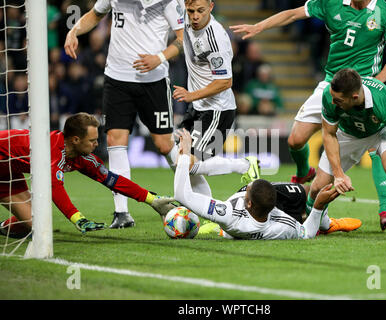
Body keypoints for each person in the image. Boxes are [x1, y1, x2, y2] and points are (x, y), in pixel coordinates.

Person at [230, 0, 386, 230]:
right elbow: (293, 14)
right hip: (330, 86)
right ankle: (304, 172)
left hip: (363, 89)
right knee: (295, 140)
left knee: (375, 148)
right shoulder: (331, 3)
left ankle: (385, 210)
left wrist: (374, 87)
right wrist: (260, 26)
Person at [64, 0, 185, 229]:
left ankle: (191, 197)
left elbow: (182, 39)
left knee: (164, 145)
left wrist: (158, 57)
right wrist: (74, 30)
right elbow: (95, 14)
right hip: (117, 79)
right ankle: (122, 212)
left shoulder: (168, 2)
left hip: (154, 82)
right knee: (115, 141)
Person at [306, 68, 386, 240]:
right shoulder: (330, 95)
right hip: (348, 134)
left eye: (339, 100)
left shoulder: (384, 100)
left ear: (354, 97)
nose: (333, 101)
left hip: (380, 132)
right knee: (317, 186)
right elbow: (329, 134)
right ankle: (310, 223)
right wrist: (338, 174)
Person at [166, 128, 361, 240]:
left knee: (191, 168)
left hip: (254, 212)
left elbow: (182, 196)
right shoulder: (281, 228)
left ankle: (246, 166)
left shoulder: (228, 214)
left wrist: (184, 155)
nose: (245, 192)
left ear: (248, 202)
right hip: (273, 205)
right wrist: (319, 205)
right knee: (307, 192)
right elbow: (307, 233)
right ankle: (327, 223)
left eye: (247, 191)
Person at [0, 113, 173, 238]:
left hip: (8, 172)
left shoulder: (83, 158)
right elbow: (55, 187)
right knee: (40, 223)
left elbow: (113, 180)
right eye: (92, 141)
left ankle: (2, 228)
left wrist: (151, 199)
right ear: (75, 140)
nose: (97, 144)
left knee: (37, 222)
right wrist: (79, 219)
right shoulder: (53, 151)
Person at [167, 0, 261, 197]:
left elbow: (225, 82)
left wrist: (190, 94)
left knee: (189, 163)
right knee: (180, 161)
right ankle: (207, 213)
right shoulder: (185, 17)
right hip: (197, 107)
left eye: (200, 11)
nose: (195, 16)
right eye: (191, 11)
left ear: (211, 7)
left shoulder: (215, 38)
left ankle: (244, 165)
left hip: (217, 110)